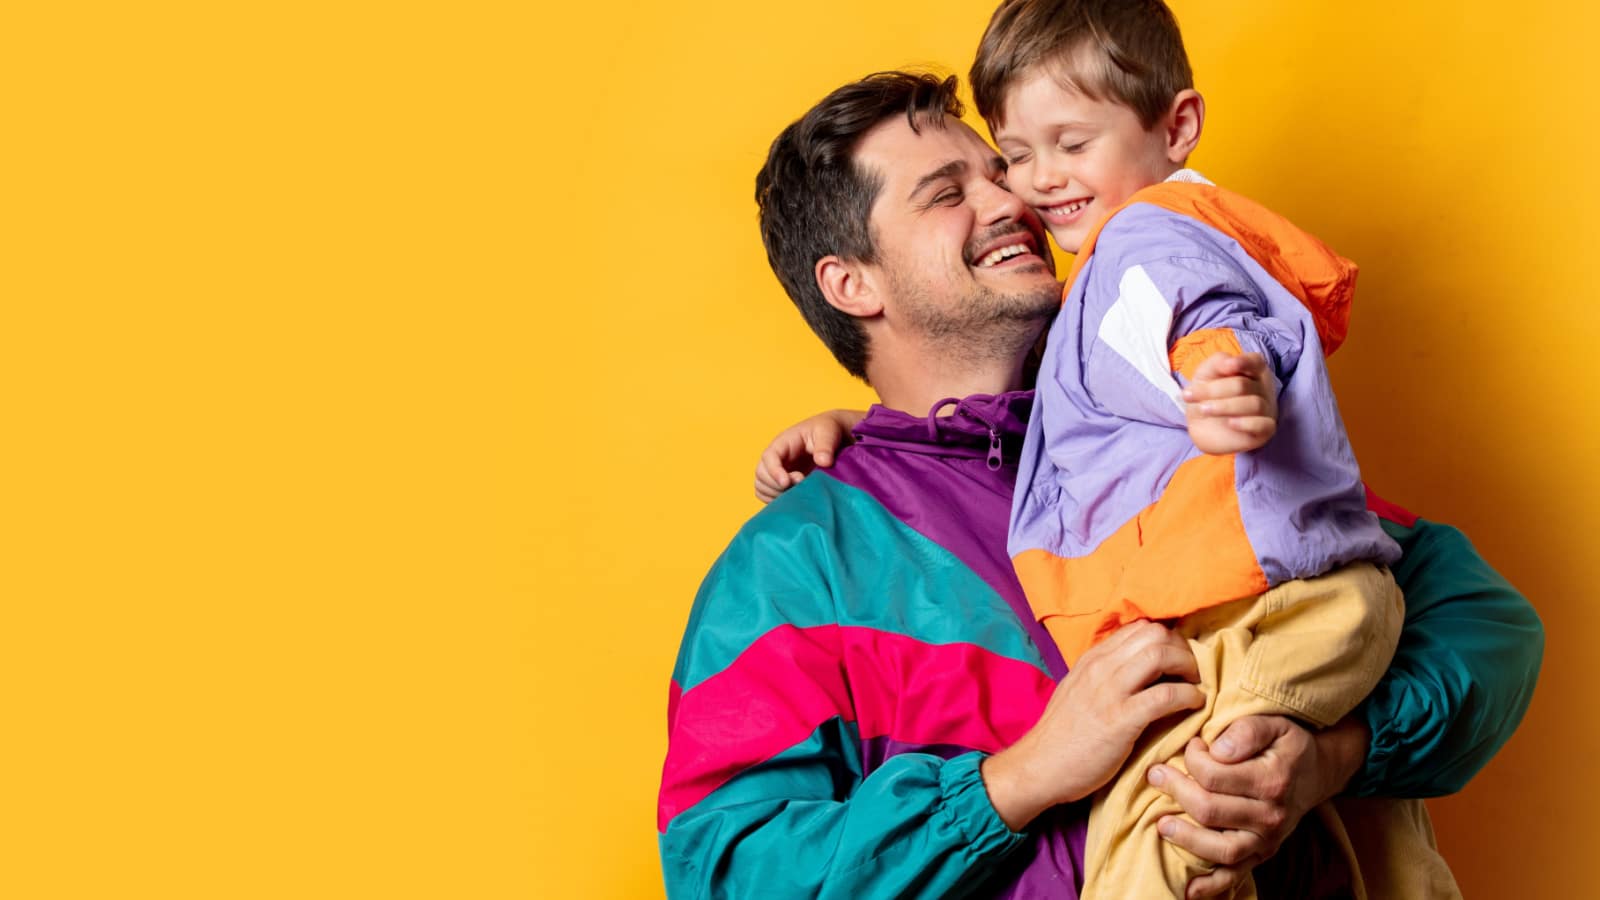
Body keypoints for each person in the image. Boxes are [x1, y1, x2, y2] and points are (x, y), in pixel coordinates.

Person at [662, 71, 1541, 899]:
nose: (1014, 199)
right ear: (851, 283)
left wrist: (1332, 757)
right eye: (946, 193)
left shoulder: (1179, 415)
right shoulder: (796, 565)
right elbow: (728, 870)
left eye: (998, 170)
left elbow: (1485, 622)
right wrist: (1019, 779)